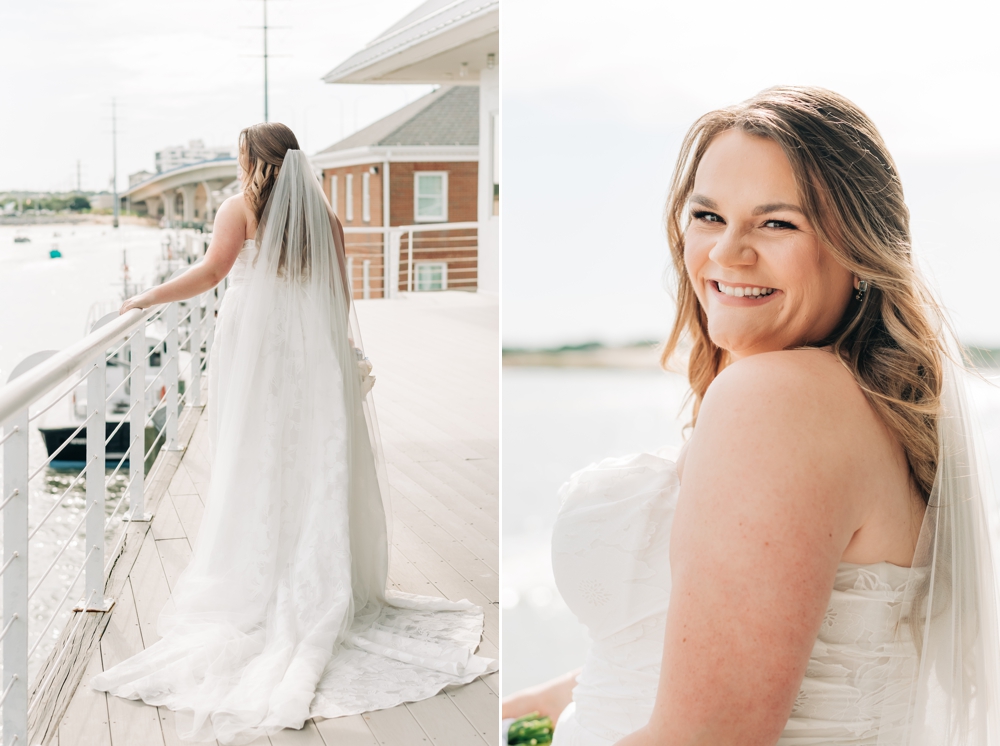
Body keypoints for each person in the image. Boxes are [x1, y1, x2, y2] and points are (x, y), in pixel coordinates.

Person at [502, 87, 1000, 745]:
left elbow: (708, 736)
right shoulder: (863, 402)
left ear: (859, 253)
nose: (728, 253)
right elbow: (712, 652)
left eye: (777, 223)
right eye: (708, 215)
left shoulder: (777, 400)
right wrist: (540, 705)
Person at [92, 123, 497, 744]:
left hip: (259, 358)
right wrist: (341, 355)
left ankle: (262, 572)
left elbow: (209, 274)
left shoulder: (240, 209)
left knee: (257, 460)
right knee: (314, 461)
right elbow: (338, 296)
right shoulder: (327, 219)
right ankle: (316, 572)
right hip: (311, 359)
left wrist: (145, 298)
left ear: (253, 160)